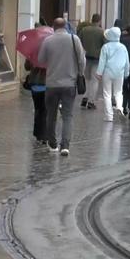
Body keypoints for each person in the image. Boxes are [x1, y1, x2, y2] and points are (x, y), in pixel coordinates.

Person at [38, 18, 86, 156]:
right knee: (67, 116)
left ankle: (52, 143)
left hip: (52, 84)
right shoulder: (74, 39)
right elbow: (82, 59)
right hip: (69, 84)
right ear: (66, 26)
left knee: (51, 115)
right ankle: (65, 145)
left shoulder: (47, 40)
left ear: (53, 27)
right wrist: (80, 73)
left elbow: (41, 60)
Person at [96, 27, 130, 122]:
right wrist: (126, 73)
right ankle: (119, 107)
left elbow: (102, 61)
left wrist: (99, 73)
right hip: (120, 72)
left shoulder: (106, 47)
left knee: (107, 93)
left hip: (108, 72)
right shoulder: (123, 47)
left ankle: (109, 116)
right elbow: (127, 62)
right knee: (118, 92)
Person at [78, 13, 105, 110]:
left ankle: (85, 97)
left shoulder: (84, 30)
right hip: (96, 59)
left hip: (85, 57)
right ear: (99, 21)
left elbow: (78, 42)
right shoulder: (102, 32)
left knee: (87, 79)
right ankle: (91, 101)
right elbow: (105, 46)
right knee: (95, 81)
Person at [24, 60, 47, 144]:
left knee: (38, 109)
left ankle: (37, 134)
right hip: (46, 84)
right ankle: (44, 135)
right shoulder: (50, 51)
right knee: (45, 110)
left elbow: (27, 67)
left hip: (34, 85)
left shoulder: (33, 52)